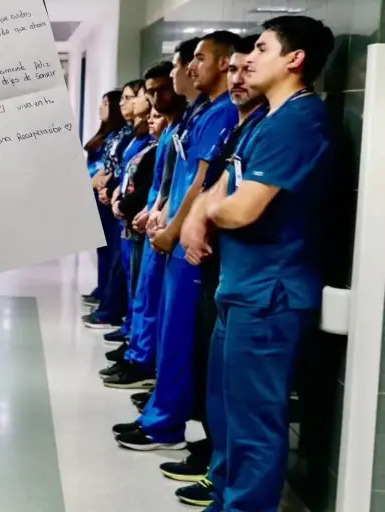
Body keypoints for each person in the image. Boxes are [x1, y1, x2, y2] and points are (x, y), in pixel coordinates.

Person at [184, 16, 335, 512]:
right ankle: (225, 498)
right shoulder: (267, 119)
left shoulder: (299, 122)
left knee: (254, 418)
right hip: (241, 287)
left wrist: (207, 213)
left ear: (295, 60)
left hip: (270, 294)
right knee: (228, 409)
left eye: (263, 49)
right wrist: (204, 209)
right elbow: (223, 188)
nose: (248, 60)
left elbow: (242, 208)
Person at [112, 31, 240, 451]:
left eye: (196, 60)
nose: (185, 70)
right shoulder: (199, 113)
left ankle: (167, 420)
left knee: (181, 336)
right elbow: (177, 178)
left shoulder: (224, 113)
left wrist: (173, 228)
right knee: (169, 331)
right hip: (172, 232)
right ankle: (161, 413)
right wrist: (161, 214)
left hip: (188, 243)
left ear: (221, 62)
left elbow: (202, 181)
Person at [166, 34, 268, 507]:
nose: (239, 77)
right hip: (230, 275)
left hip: (258, 282)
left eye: (253, 62)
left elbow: (236, 204)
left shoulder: (288, 124)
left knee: (251, 406)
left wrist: (199, 216)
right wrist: (191, 216)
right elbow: (214, 183)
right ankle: (219, 472)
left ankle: (234, 490)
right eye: (235, 69)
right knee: (221, 384)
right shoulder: (240, 125)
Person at [100, 59, 188, 389]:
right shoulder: (163, 133)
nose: (152, 100)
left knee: (155, 301)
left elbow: (189, 182)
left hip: (167, 228)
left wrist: (158, 212)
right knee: (142, 292)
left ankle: (145, 362)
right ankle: (138, 352)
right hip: (149, 222)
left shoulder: (184, 127)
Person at [82, 81, 141, 331]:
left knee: (121, 259)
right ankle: (107, 298)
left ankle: (114, 310)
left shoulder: (133, 136)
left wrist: (109, 186)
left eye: (129, 98)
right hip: (108, 195)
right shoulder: (120, 135)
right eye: (122, 99)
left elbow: (121, 170)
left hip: (123, 201)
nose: (123, 103)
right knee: (109, 252)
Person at [81, 91, 127, 309]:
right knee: (101, 245)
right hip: (95, 192)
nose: (100, 108)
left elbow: (107, 168)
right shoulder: (106, 136)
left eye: (106, 103)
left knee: (110, 246)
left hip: (105, 194)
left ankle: (108, 294)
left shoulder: (118, 137)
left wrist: (94, 183)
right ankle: (102, 288)